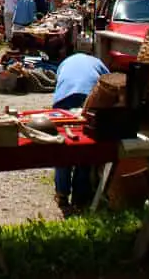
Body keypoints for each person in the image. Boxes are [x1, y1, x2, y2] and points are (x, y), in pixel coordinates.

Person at [52, 52, 110, 209]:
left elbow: (60, 81)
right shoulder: (99, 63)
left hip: (63, 98)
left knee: (63, 145)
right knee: (85, 144)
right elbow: (108, 85)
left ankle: (62, 193)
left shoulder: (65, 63)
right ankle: (80, 195)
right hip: (88, 97)